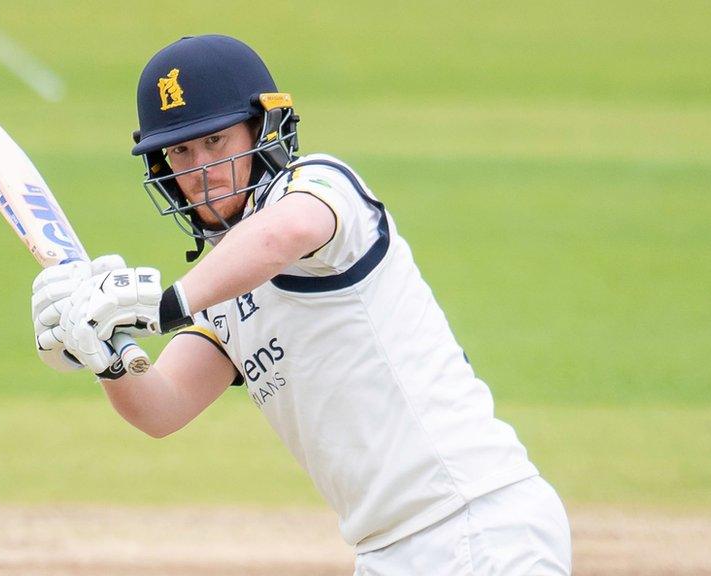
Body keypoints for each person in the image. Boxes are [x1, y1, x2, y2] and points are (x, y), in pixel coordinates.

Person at [30, 34, 572, 575]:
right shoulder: (221, 288)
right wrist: (107, 356)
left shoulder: (319, 184)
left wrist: (163, 307)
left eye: (215, 141)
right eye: (180, 151)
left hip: (475, 523)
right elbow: (161, 408)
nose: (198, 170)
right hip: (385, 550)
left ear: (264, 129)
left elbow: (284, 234)